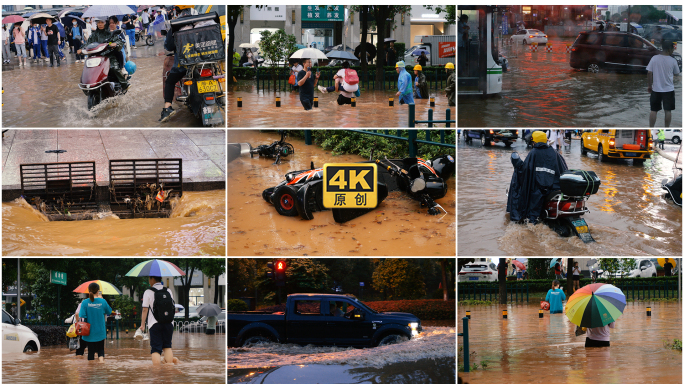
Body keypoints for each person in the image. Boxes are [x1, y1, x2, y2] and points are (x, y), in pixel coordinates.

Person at [507, 130, 568, 223]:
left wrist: (517, 165)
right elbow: (563, 170)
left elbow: (524, 171)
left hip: (538, 191)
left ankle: (533, 223)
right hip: (554, 189)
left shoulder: (534, 153)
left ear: (534, 142)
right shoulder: (555, 153)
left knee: (531, 218)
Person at [159, 5, 194, 122]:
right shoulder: (203, 20)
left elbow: (168, 46)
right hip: (204, 62)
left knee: (170, 81)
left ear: (177, 11)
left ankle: (167, 107)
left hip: (183, 64)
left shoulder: (175, 24)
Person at [139, 276, 180, 365]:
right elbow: (172, 307)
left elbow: (145, 309)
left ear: (152, 279)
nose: (149, 281)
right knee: (167, 346)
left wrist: (142, 325)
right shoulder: (168, 290)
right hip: (169, 323)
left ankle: (157, 372)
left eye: (149, 279)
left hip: (155, 324)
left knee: (156, 349)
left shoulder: (148, 292)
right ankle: (169, 369)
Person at [80, 18, 127, 90]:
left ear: (105, 23)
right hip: (96, 57)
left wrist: (113, 44)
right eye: (98, 23)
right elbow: (88, 44)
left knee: (114, 68)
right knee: (88, 69)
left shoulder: (110, 33)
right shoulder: (94, 35)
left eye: (102, 22)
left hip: (109, 56)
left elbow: (115, 42)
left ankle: (124, 84)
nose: (100, 24)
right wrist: (81, 49)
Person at [647, 40, 680, 127]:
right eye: (672, 49)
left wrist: (649, 86)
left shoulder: (654, 58)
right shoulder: (673, 61)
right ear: (669, 49)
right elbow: (677, 73)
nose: (673, 50)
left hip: (656, 89)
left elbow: (649, 72)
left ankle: (651, 128)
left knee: (653, 110)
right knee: (668, 110)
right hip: (669, 90)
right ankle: (666, 128)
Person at [79, 283, 112, 362]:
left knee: (91, 352)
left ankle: (91, 371)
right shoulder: (103, 301)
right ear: (98, 291)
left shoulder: (85, 302)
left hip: (89, 331)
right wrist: (101, 300)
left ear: (88, 290)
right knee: (101, 350)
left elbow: (82, 315)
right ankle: (101, 365)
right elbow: (109, 311)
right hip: (100, 330)